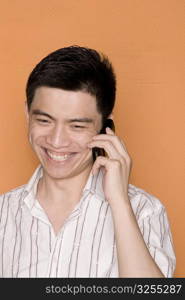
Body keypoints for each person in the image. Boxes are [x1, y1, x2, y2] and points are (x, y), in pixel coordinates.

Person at [0, 46, 176, 278]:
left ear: (105, 126)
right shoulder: (3, 213)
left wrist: (120, 203)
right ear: (27, 114)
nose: (56, 140)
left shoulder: (144, 211)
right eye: (44, 120)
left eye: (77, 126)